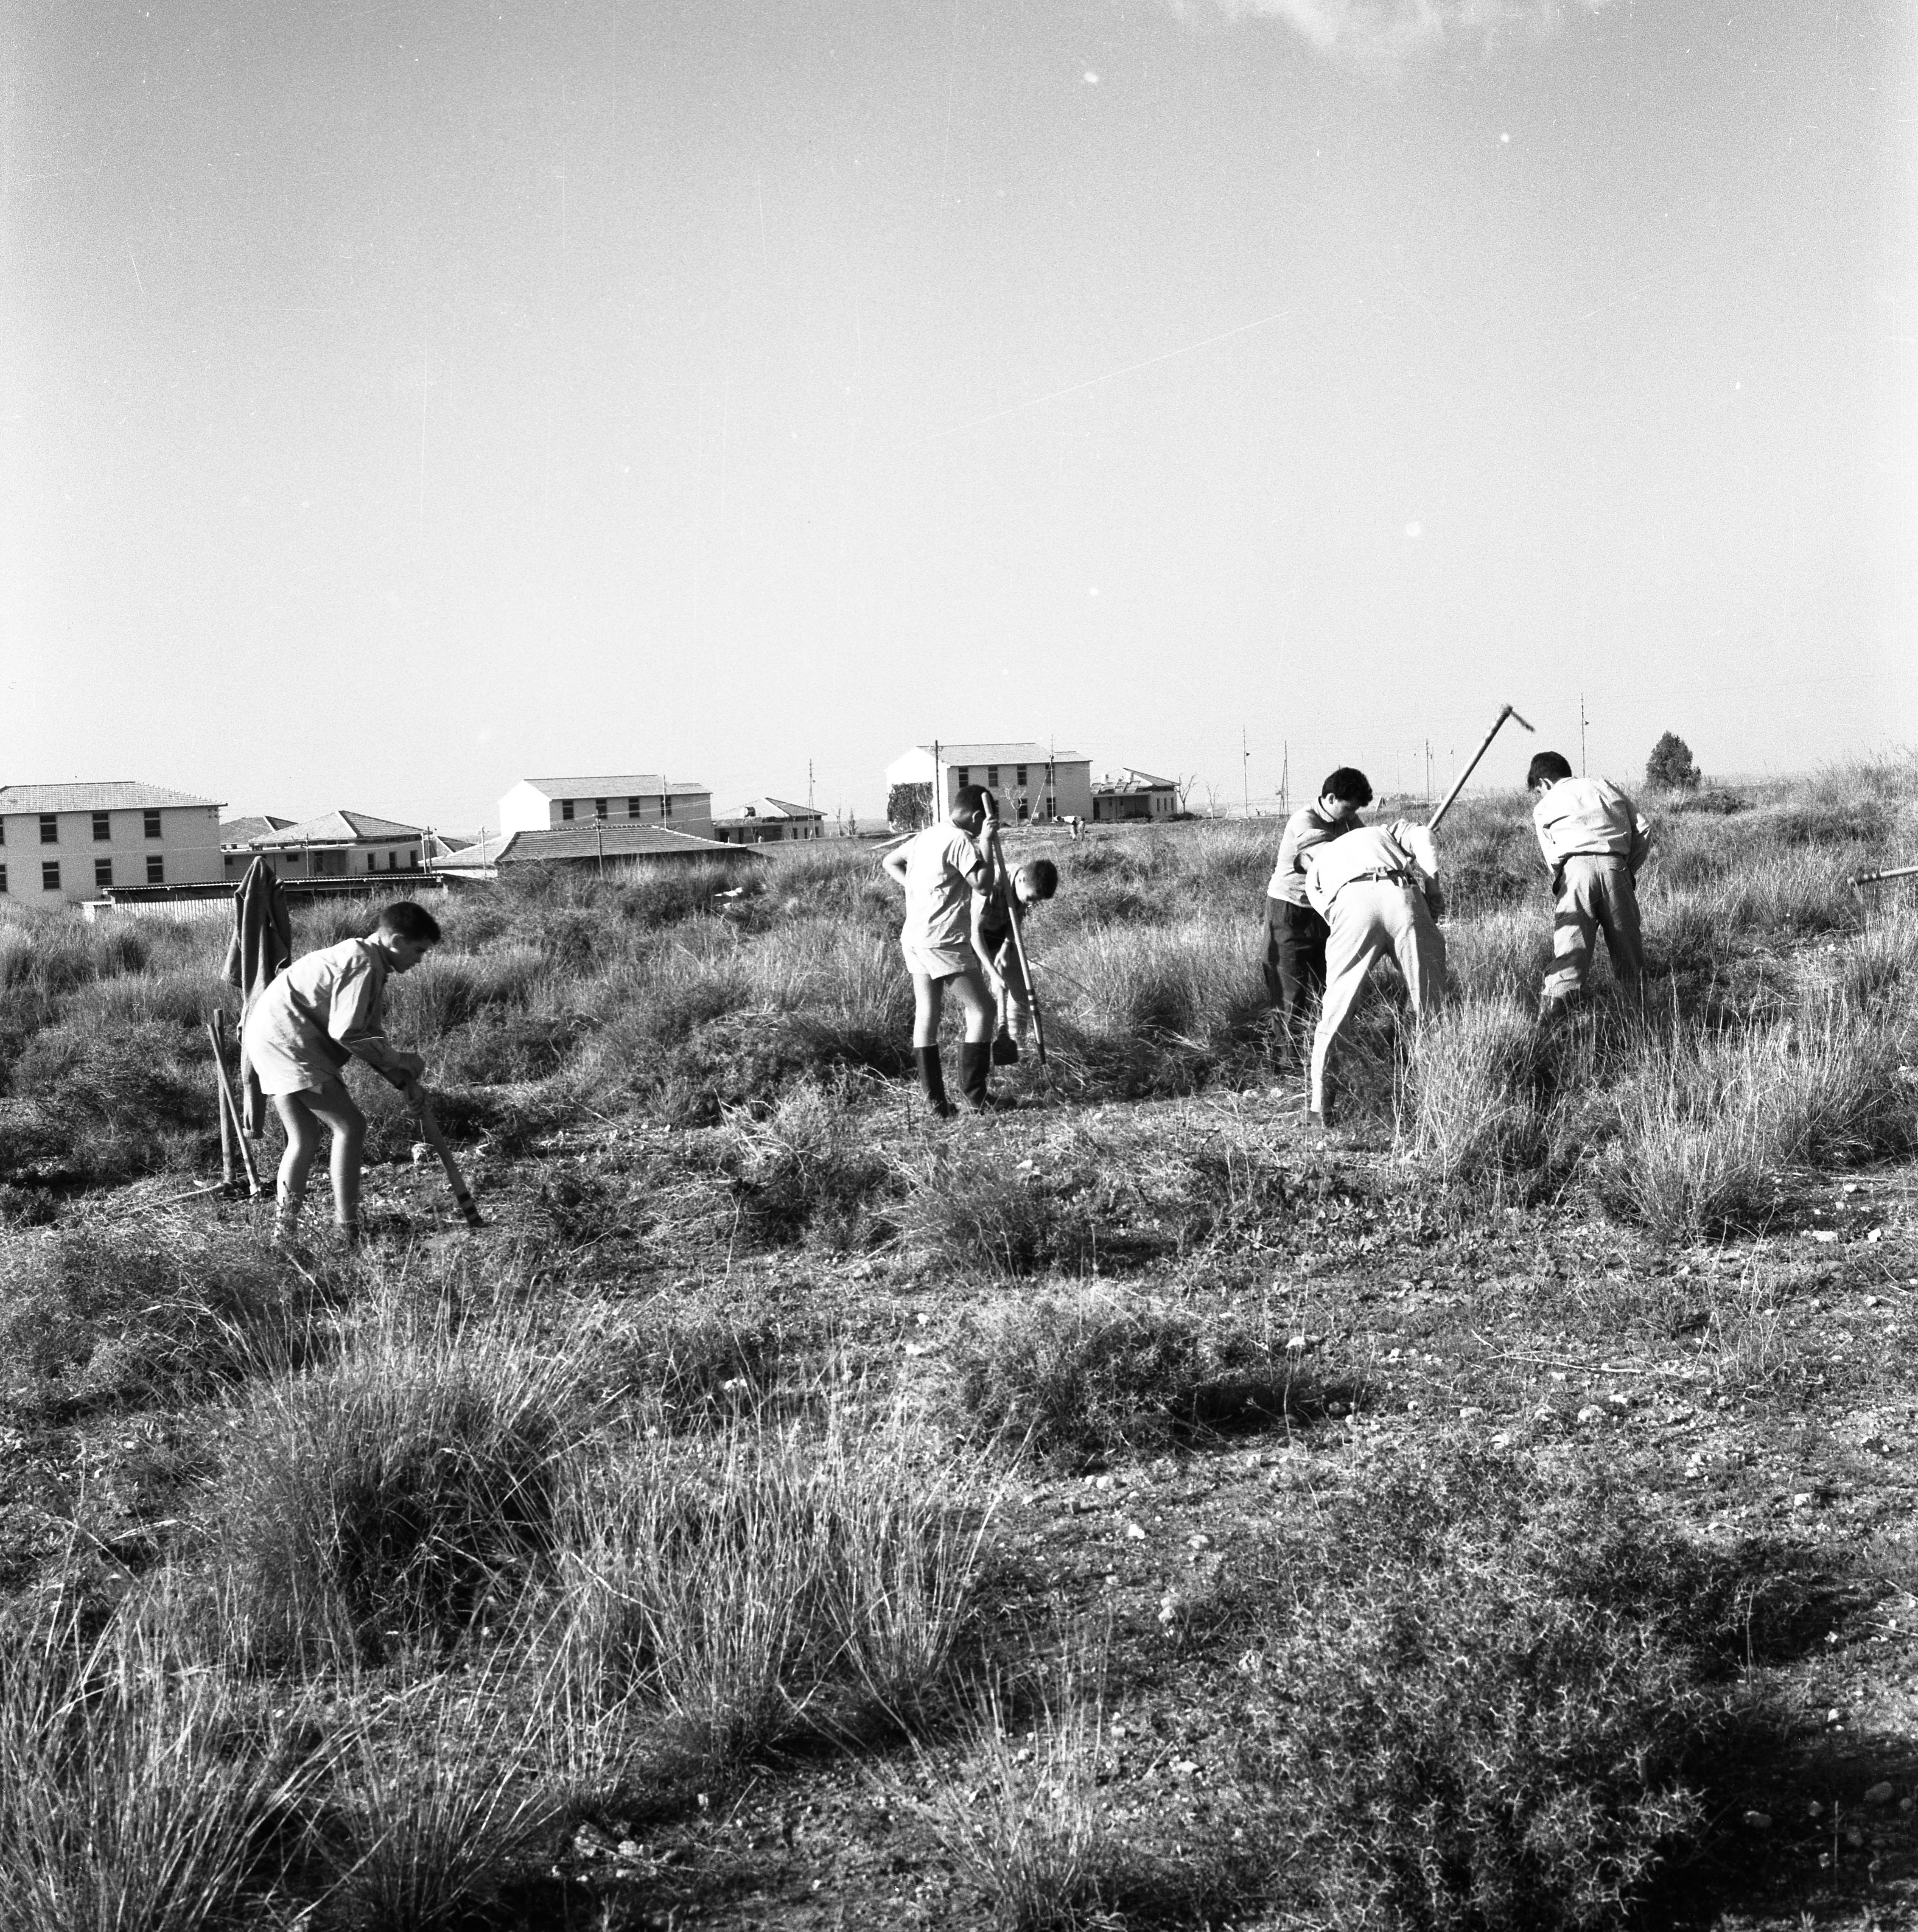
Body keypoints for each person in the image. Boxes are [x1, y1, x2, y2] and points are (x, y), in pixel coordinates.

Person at [241, 900, 441, 1247]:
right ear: (395, 941)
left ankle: (283, 1238)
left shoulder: (366, 959)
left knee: (304, 1139)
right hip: (290, 1044)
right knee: (351, 1126)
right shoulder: (363, 964)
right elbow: (348, 1033)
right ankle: (346, 1230)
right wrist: (400, 1059)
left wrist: (401, 1079)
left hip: (270, 1040)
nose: (420, 959)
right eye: (419, 950)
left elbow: (367, 1036)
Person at [1302, 818, 1447, 1131]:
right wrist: (1432, 890)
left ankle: (1319, 1110)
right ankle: (1437, 1096)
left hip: (1351, 902)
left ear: (1307, 855)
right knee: (1431, 1005)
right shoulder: (1381, 832)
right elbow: (1424, 836)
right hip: (1403, 894)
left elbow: (1331, 911)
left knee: (1336, 1011)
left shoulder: (1314, 870)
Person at [883, 785, 1003, 1115]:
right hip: (944, 940)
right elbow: (983, 883)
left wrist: (917, 889)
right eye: (986, 822)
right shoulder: (960, 840)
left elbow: (890, 860)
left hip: (915, 937)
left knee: (927, 1014)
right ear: (979, 817)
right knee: (983, 1010)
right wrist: (986, 843)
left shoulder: (928, 835)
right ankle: (976, 1096)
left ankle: (936, 1104)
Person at [1526, 752, 1652, 1015]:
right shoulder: (1604, 786)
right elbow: (1643, 828)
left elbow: (1552, 857)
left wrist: (1566, 876)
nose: (1540, 795)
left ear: (1545, 783)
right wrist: (1626, 870)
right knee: (1629, 953)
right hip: (1615, 868)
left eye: (1539, 790)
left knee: (1571, 954)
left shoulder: (1545, 805)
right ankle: (1641, 1023)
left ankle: (1550, 1027)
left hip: (1575, 874)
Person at [1262, 768, 1372, 1059]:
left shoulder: (1348, 820)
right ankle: (1287, 1064)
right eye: (1349, 808)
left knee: (1331, 987)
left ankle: (1326, 1056)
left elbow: (1365, 845)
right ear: (1332, 798)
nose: (1352, 815)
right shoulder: (1304, 821)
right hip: (1290, 912)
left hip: (1326, 913)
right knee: (1291, 992)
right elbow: (1325, 862)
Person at [974, 857, 1059, 1064]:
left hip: (999, 933)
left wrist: (1005, 947)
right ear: (1021, 880)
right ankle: (979, 1058)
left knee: (1020, 991)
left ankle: (1016, 1047)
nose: (1032, 904)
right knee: (979, 1003)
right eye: (1031, 899)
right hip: (968, 935)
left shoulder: (1026, 890)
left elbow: (1016, 917)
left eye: (1036, 902)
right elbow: (974, 934)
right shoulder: (993, 884)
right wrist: (993, 975)